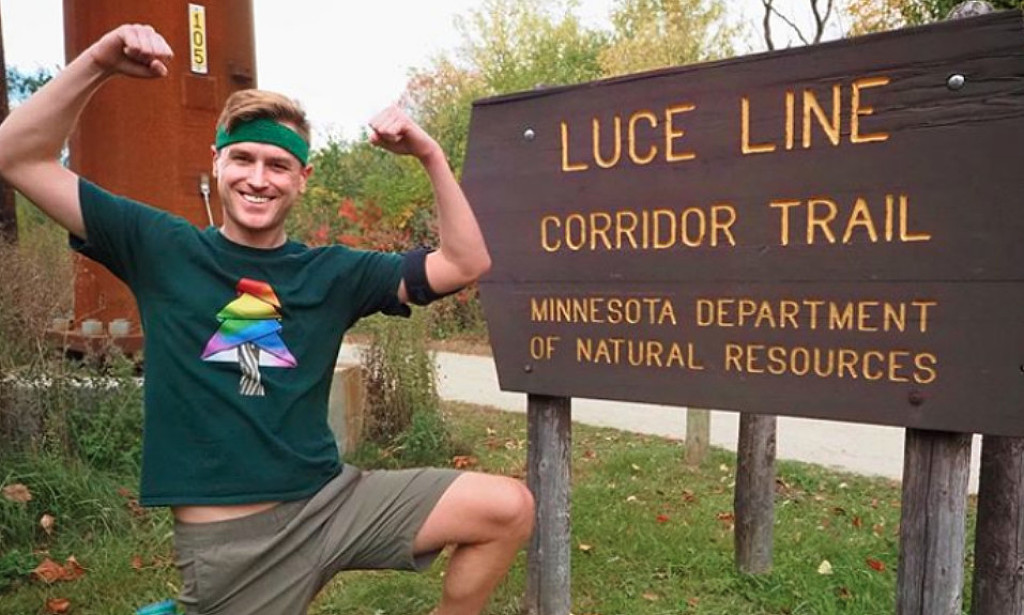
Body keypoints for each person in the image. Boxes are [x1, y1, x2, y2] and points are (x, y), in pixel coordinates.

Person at [0, 23, 534, 615]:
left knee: (506, 507)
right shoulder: (159, 247)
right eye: (243, 159)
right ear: (217, 163)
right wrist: (98, 60)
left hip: (333, 503)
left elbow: (465, 262)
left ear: (302, 179)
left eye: (279, 165)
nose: (258, 179)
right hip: (233, 548)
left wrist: (429, 155)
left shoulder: (332, 273)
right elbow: (16, 155)